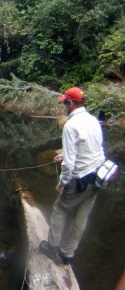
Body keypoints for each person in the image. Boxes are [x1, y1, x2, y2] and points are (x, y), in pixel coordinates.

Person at [39, 87, 105, 265]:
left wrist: (62, 183)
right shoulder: (93, 120)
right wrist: (65, 156)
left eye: (64, 103)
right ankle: (67, 254)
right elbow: (94, 149)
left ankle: (51, 248)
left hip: (80, 180)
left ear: (70, 103)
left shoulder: (71, 125)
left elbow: (69, 164)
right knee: (81, 217)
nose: (64, 107)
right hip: (98, 177)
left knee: (60, 209)